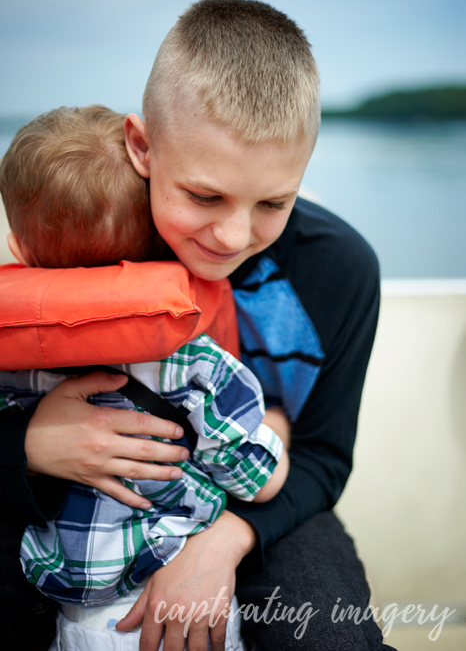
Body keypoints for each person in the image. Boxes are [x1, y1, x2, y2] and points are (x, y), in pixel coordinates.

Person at [0, 0, 396, 650]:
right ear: (141, 146)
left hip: (260, 507)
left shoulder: (342, 269)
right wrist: (29, 444)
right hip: (56, 504)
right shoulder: (82, 233)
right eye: (203, 196)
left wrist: (219, 545)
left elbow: (323, 458)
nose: (233, 236)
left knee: (328, 635)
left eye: (273, 201)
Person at [0, 104, 290, 650]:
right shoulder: (192, 361)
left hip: (66, 601)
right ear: (157, 240)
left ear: (19, 250)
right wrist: (273, 424)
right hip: (177, 596)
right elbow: (259, 479)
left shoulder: (9, 358)